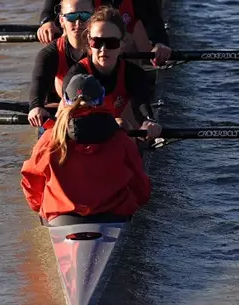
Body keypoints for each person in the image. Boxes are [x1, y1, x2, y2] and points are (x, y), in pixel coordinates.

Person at [20, 71, 152, 224]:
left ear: (65, 101)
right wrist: (137, 203)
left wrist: (39, 206)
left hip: (61, 219)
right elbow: (141, 186)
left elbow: (30, 178)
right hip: (112, 217)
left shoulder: (50, 139)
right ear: (101, 100)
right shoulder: (120, 139)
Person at [76, 8, 162, 137]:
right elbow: (71, 121)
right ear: (89, 41)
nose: (103, 49)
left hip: (114, 135)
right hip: (82, 136)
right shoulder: (77, 75)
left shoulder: (134, 73)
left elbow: (141, 104)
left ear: (122, 43)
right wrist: (111, 124)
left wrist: (148, 121)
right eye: (97, 42)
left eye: (111, 43)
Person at [27, 0, 96, 127]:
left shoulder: (103, 48)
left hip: (97, 110)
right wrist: (36, 107)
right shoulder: (49, 54)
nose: (78, 23)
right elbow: (38, 83)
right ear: (61, 21)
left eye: (84, 16)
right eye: (71, 17)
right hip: (60, 113)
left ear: (93, 18)